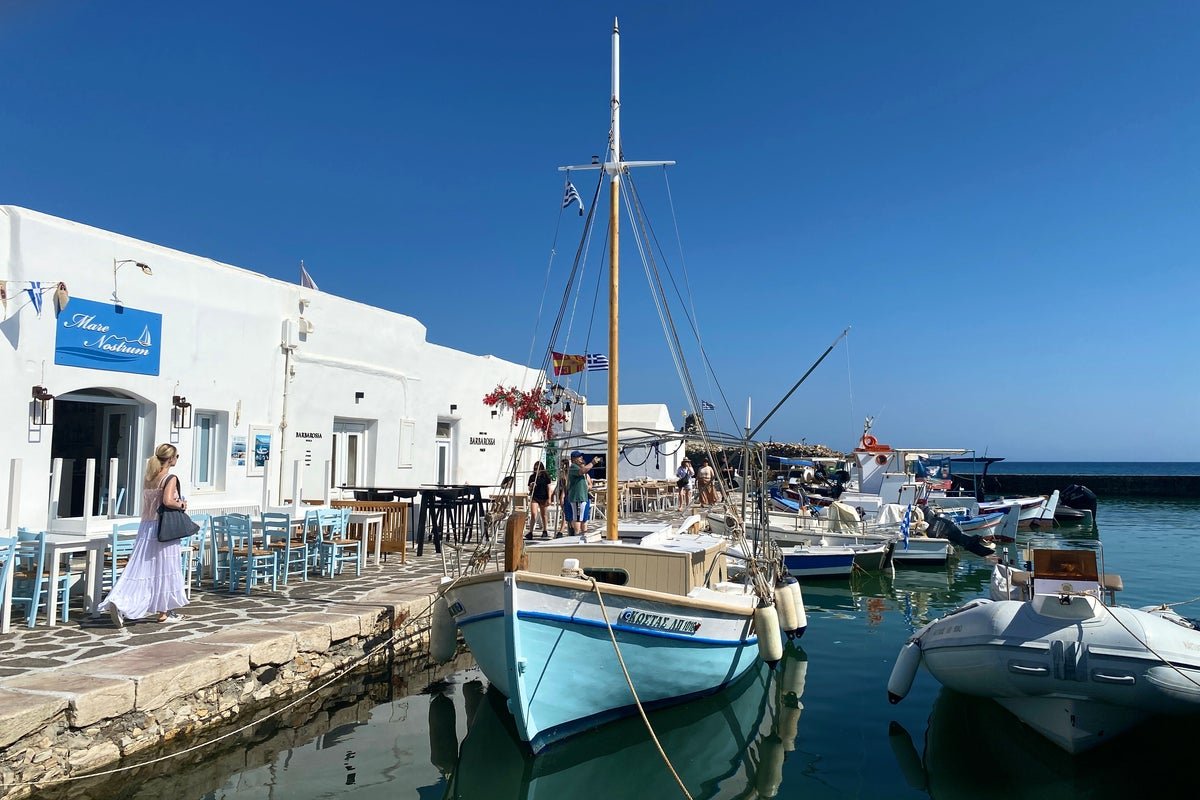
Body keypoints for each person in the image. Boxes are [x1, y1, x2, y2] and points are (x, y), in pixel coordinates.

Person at [99, 443, 190, 627]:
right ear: (171, 459)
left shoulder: (149, 477)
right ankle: (164, 612)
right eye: (177, 456)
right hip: (163, 527)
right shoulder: (169, 478)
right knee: (166, 568)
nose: (177, 460)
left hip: (146, 526)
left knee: (140, 566)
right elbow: (167, 501)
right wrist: (181, 505)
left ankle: (122, 599)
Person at [567, 450, 600, 534]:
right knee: (577, 518)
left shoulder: (578, 468)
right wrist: (592, 463)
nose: (581, 458)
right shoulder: (573, 467)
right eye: (579, 457)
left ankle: (582, 534)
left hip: (583, 497)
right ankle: (576, 535)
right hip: (577, 497)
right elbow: (582, 471)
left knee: (583, 518)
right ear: (574, 459)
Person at [525, 461, 552, 539]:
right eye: (535, 468)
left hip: (544, 497)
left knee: (544, 515)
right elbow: (529, 488)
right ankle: (530, 532)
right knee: (533, 513)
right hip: (535, 497)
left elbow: (549, 488)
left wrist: (549, 498)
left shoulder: (546, 477)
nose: (536, 470)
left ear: (541, 469)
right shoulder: (532, 477)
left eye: (538, 468)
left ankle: (545, 530)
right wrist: (531, 485)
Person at [554, 458, 570, 536]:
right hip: (562, 495)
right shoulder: (561, 475)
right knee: (564, 513)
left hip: (567, 495)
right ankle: (563, 530)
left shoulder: (567, 475)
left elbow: (565, 487)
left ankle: (562, 530)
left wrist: (562, 496)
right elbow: (559, 486)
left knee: (565, 513)